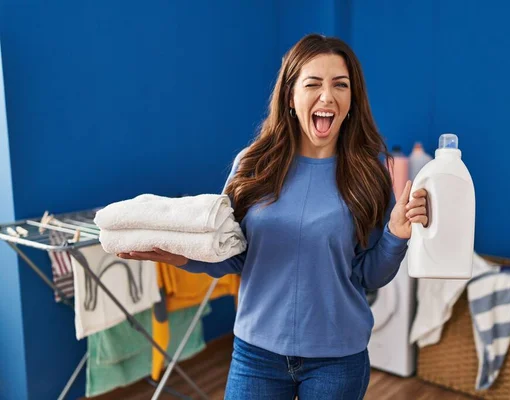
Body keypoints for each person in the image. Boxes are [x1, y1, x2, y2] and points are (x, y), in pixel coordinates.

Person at [119, 33, 429, 399]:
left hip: (338, 359)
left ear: (352, 100)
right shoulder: (253, 165)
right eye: (313, 83)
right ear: (290, 97)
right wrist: (179, 257)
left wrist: (395, 236)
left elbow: (369, 274)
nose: (327, 96)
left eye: (340, 86)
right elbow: (231, 253)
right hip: (256, 355)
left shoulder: (369, 173)